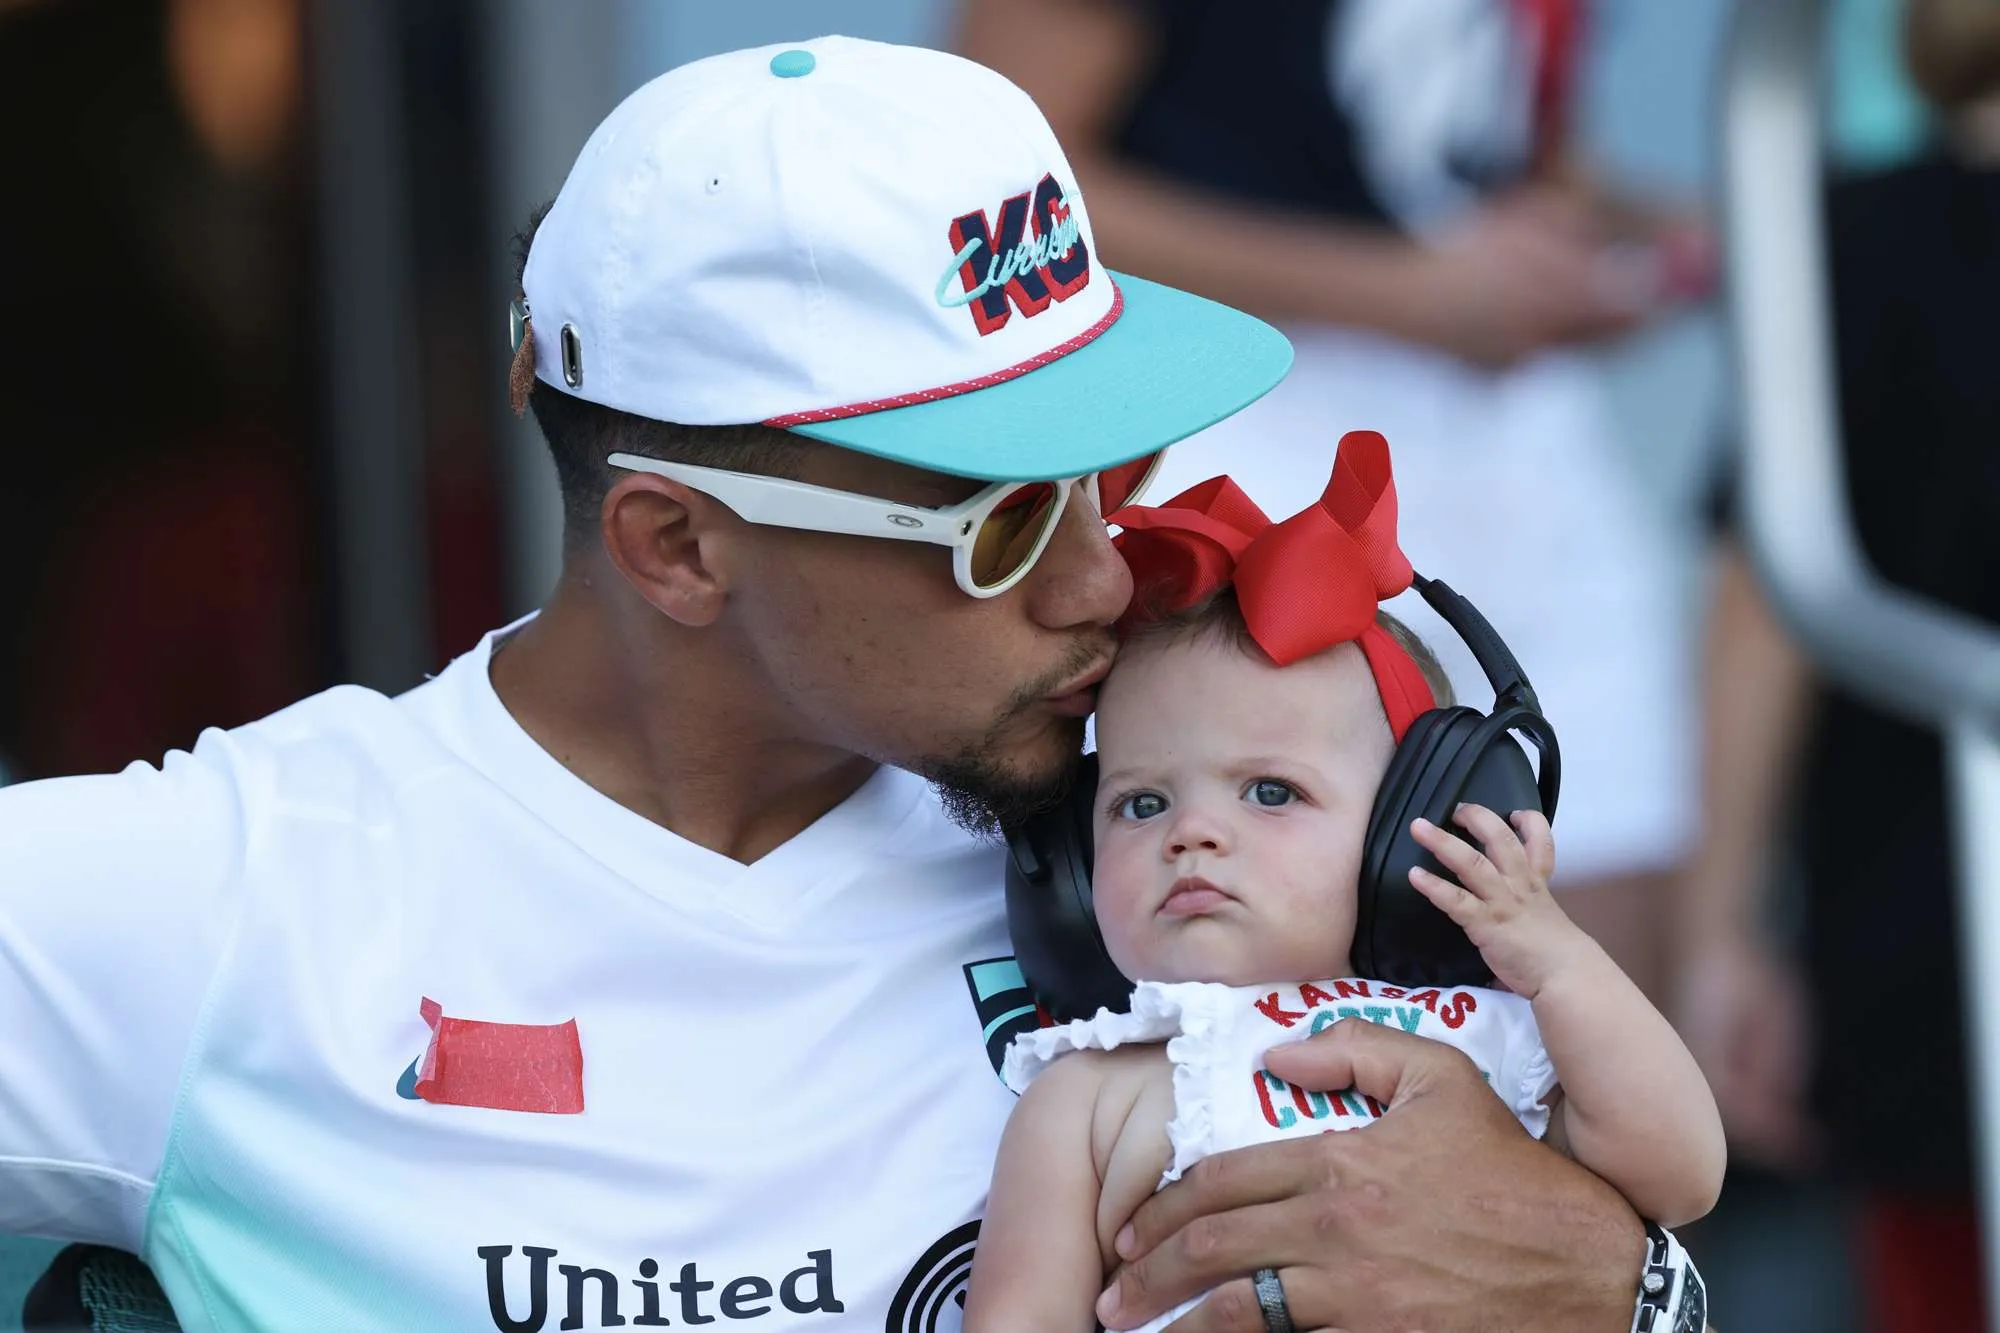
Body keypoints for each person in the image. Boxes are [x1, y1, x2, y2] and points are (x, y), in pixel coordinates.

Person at [0, 35, 1686, 1333]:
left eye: (1122, 470)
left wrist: (1621, 1281)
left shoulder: (1189, 821)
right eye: (1010, 518)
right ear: (676, 547)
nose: (1108, 578)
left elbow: (1576, 1228)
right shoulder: (241, 891)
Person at [959, 0, 1712, 1003]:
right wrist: (1404, 292)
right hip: (1232, 389)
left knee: (1589, 906)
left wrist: (1622, 243)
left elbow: (1454, 141)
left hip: (1514, 415)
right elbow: (1006, 181)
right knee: (1234, 905)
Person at [964, 438, 1724, 1332]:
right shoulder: (1090, 1092)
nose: (1191, 832)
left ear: (1411, 834)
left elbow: (1681, 1171)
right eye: (1140, 803)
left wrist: (1558, 961)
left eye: (1271, 792)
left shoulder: (1489, 1032)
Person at [1675, 1, 2000, 1326]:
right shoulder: (1863, 237)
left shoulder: (1860, 234)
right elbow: (1772, 591)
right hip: (1939, 925)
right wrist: (1724, 929)